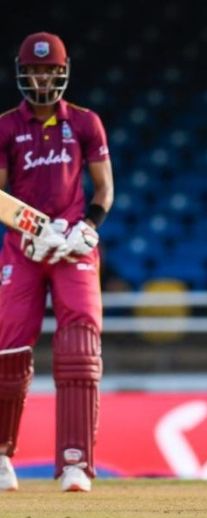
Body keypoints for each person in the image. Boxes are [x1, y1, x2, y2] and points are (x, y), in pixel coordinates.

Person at [0, 32, 113, 492]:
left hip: (73, 246)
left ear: (62, 72)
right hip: (23, 248)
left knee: (79, 350)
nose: (42, 77)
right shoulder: (5, 126)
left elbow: (104, 188)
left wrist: (87, 228)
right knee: (7, 349)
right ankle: (2, 457)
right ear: (22, 73)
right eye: (34, 70)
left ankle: (76, 463)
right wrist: (31, 227)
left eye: (49, 69)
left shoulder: (85, 123)